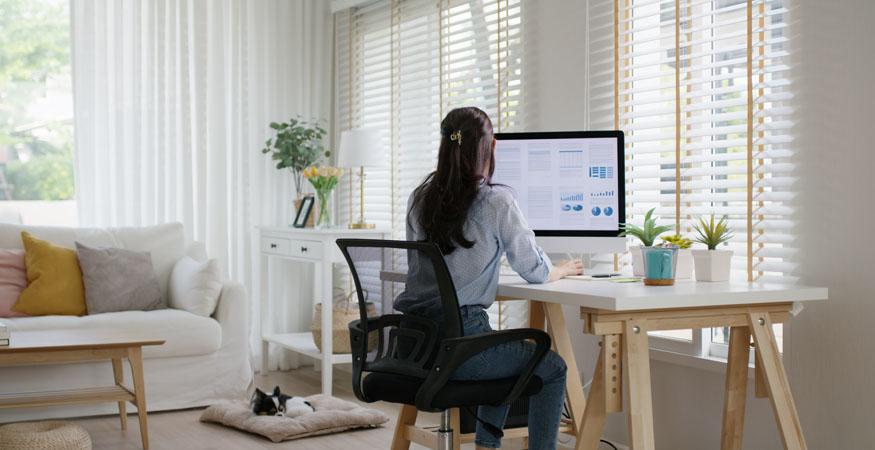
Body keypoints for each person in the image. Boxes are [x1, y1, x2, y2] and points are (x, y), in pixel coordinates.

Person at [394, 106, 583, 450]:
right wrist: (561, 269)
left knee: (503, 352)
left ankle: (486, 446)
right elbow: (534, 270)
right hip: (462, 348)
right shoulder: (496, 201)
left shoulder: (418, 199)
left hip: (415, 346)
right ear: (490, 147)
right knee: (552, 368)